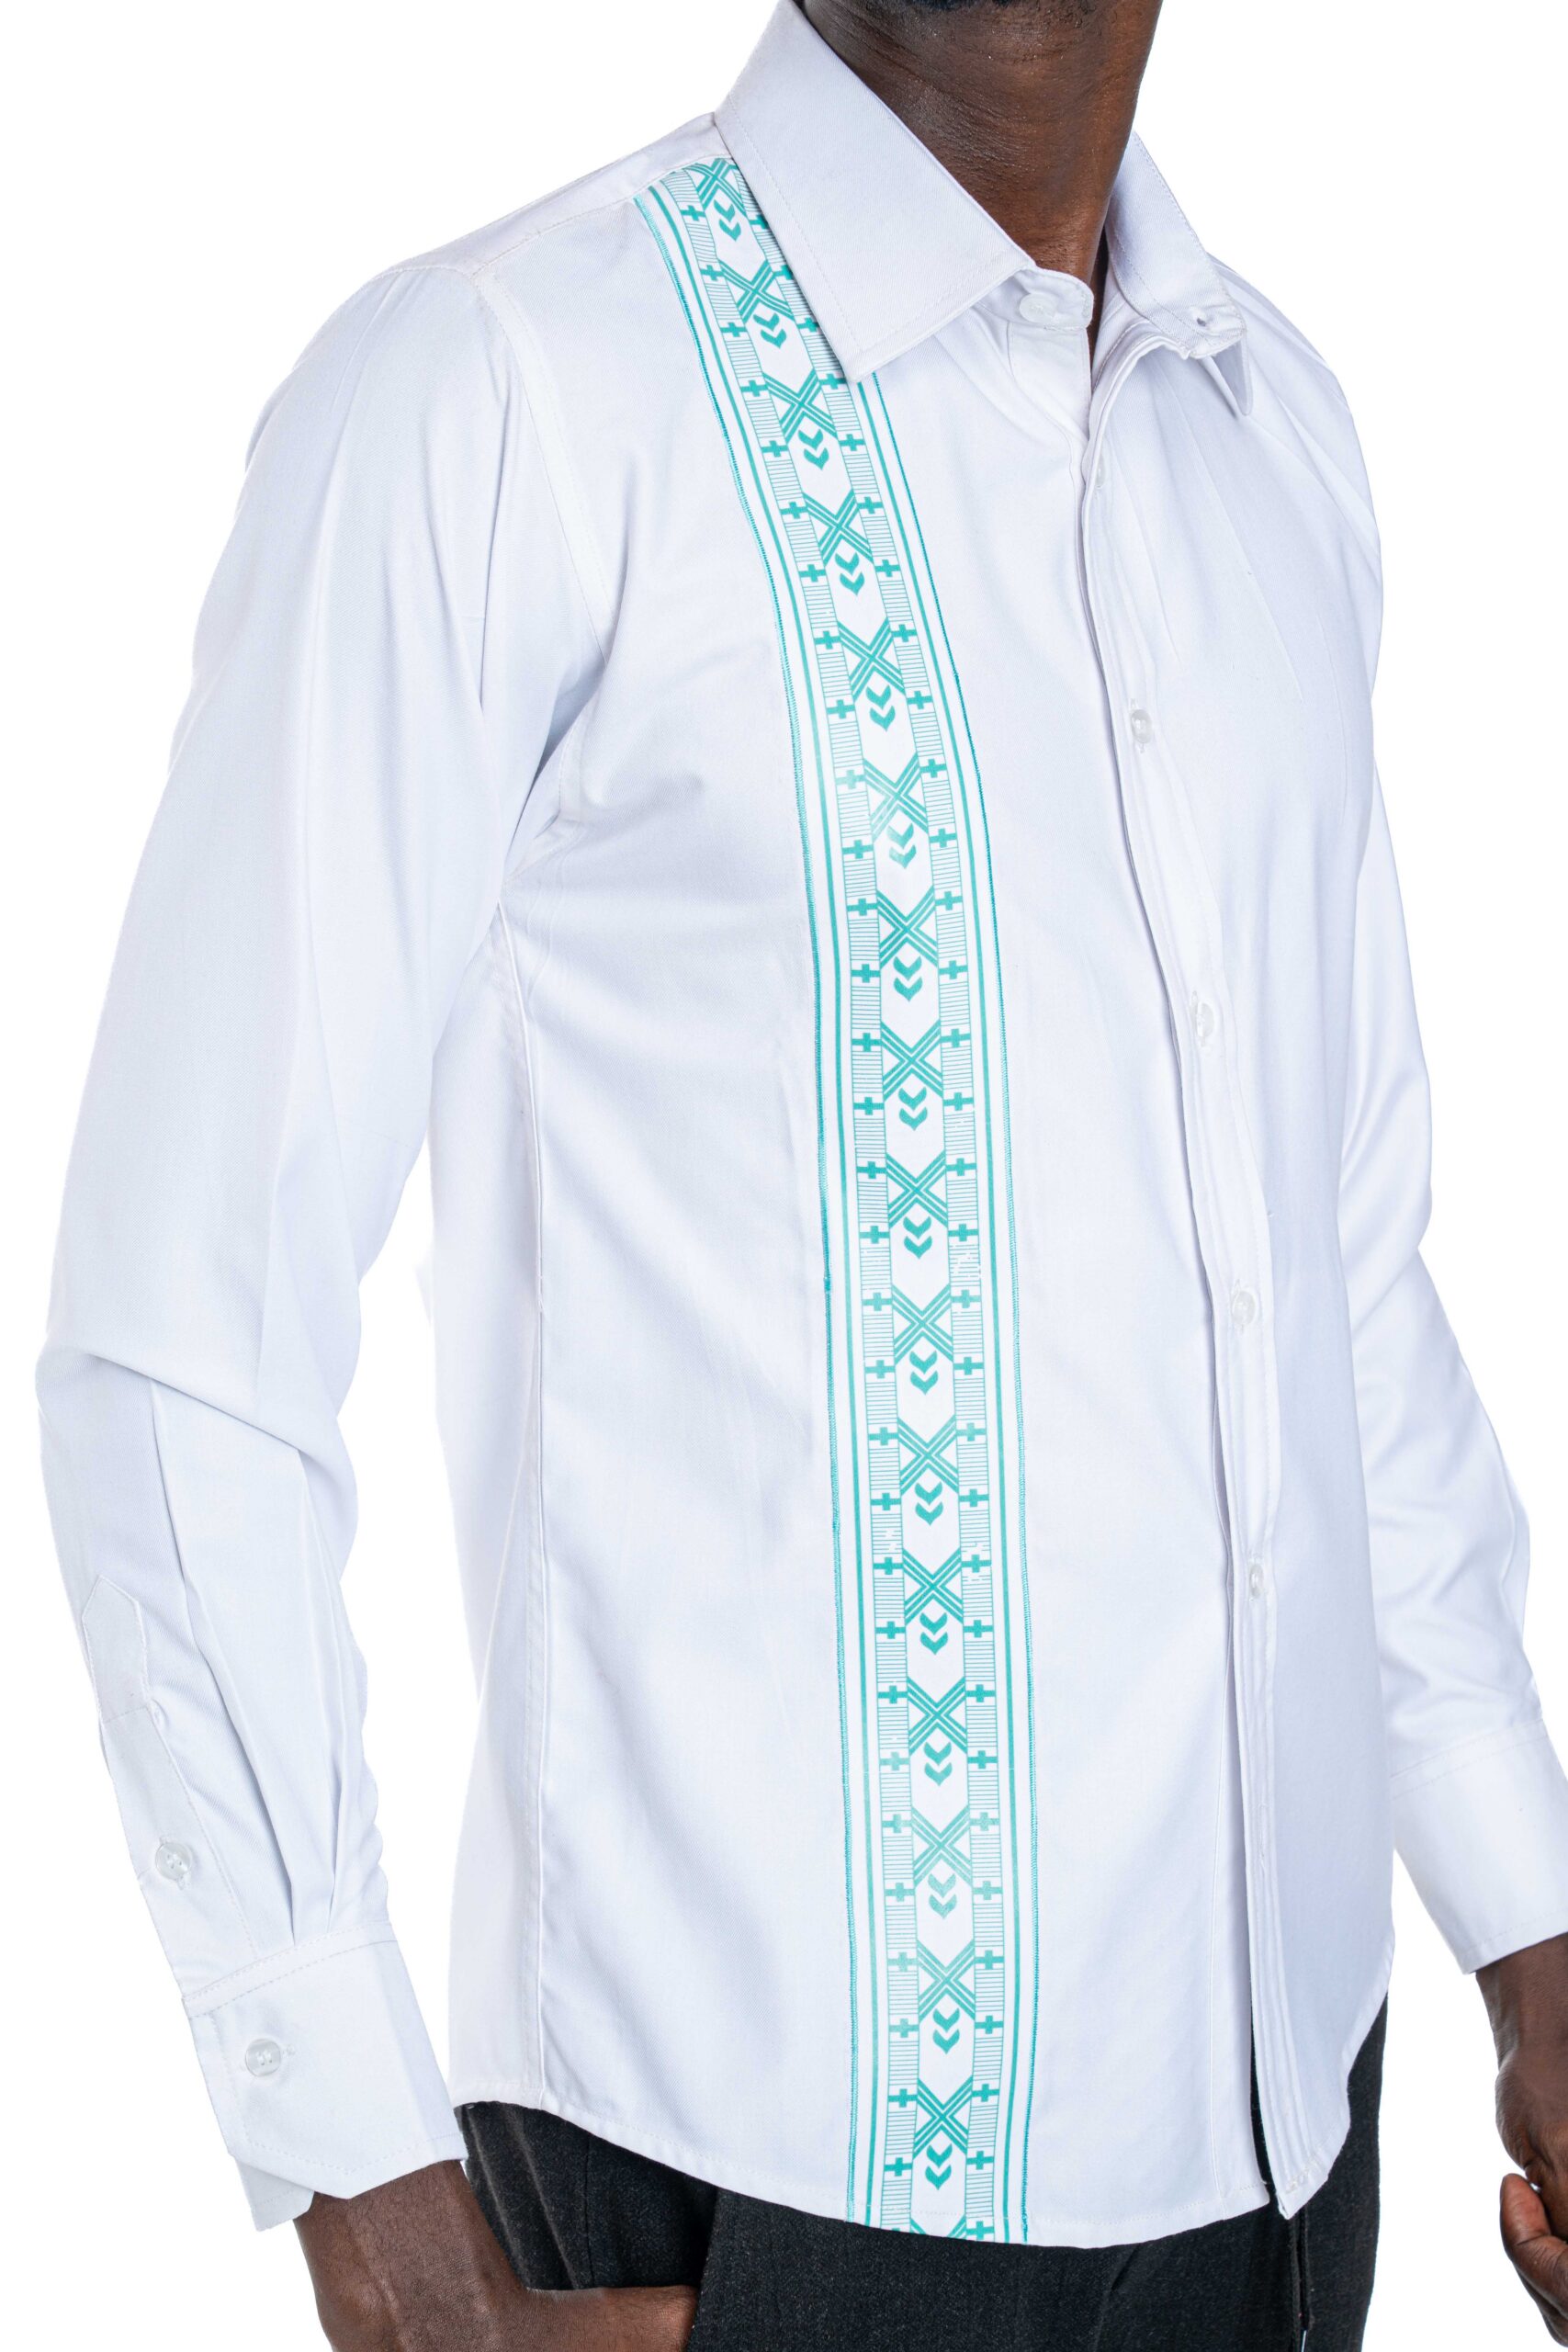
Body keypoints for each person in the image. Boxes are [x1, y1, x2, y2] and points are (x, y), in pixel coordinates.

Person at [37, 0, 1568, 2344]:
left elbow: (1333, 1274)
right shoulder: (502, 390)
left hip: (1285, 2152)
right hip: (745, 2202)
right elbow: (183, 1323)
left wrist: (1523, 1916)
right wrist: (364, 2183)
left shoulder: (1268, 430)